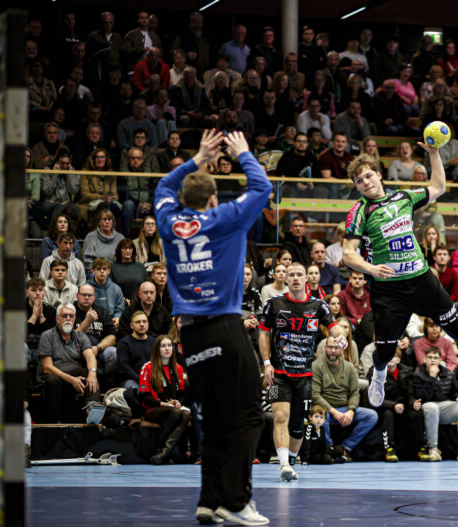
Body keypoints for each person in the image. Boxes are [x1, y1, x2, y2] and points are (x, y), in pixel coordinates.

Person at [154, 130, 272, 525]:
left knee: (214, 419)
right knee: (249, 415)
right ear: (211, 200)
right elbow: (262, 186)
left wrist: (196, 159)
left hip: (190, 334)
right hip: (224, 326)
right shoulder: (225, 219)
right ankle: (237, 502)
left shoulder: (167, 221)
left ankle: (210, 500)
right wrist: (243, 152)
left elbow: (163, 185)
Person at [342, 146, 458, 412]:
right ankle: (379, 374)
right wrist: (371, 269)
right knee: (385, 351)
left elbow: (439, 186)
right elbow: (348, 254)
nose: (365, 183)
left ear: (378, 174)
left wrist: (433, 153)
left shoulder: (404, 197)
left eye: (368, 176)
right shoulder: (360, 211)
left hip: (421, 280)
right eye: (359, 181)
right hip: (388, 290)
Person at [260, 262, 343, 481]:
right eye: (291, 275)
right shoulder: (274, 304)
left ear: (307, 279)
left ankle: (292, 460)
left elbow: (333, 326)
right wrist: (267, 362)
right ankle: (284, 464)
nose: (295, 278)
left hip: (305, 376)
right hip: (278, 375)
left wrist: (340, 336)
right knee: (280, 416)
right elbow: (263, 333)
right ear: (285, 279)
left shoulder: (318, 306)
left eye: (299, 275)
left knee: (297, 426)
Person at [314, 335, 378, 463]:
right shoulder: (316, 366)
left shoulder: (349, 367)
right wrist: (333, 411)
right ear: (325, 348)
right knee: (320, 416)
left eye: (336, 348)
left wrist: (351, 410)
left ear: (341, 349)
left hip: (344, 408)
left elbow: (354, 392)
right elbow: (315, 394)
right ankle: (329, 449)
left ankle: (346, 447)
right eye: (330, 347)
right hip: (326, 409)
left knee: (372, 416)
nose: (333, 350)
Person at [38, 304, 101, 423]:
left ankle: (92, 408)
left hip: (74, 373)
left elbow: (90, 356)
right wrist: (72, 379)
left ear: (74, 319)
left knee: (90, 372)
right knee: (52, 380)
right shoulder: (47, 336)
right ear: (57, 319)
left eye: (71, 316)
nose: (68, 319)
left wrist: (92, 373)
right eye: (64, 316)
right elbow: (48, 367)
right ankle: (54, 420)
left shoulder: (80, 336)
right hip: (55, 374)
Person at [411, 346, 458, 462]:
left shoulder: (448, 373)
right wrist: (431, 377)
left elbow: (455, 392)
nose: (432, 360)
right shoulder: (418, 374)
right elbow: (422, 398)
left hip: (445, 407)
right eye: (429, 357)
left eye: (435, 358)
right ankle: (433, 448)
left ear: (440, 360)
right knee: (432, 407)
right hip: (428, 406)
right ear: (424, 359)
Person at [138, 335, 191, 464]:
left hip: (170, 407)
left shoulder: (178, 368)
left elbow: (182, 393)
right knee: (176, 413)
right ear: (157, 349)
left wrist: (179, 402)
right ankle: (161, 450)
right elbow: (143, 396)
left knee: (185, 413)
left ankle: (162, 453)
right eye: (163, 346)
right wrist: (164, 404)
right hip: (152, 408)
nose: (167, 349)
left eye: (169, 346)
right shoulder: (148, 367)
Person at [116, 311, 155, 390]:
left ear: (148, 324)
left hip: (152, 378)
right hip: (132, 379)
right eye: (138, 322)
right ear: (131, 326)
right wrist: (141, 379)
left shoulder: (154, 341)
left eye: (144, 321)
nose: (141, 324)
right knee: (134, 389)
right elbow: (124, 367)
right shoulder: (124, 343)